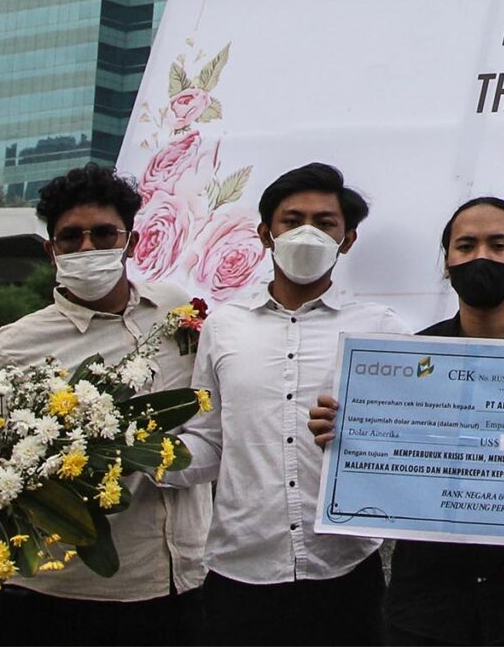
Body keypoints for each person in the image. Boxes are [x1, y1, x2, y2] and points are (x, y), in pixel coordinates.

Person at [310, 195, 504, 645]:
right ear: (447, 262)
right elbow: (376, 463)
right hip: (423, 614)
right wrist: (342, 436)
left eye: (498, 245)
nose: (481, 258)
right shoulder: (411, 358)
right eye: (466, 246)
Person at [166, 162, 404, 645]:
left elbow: (414, 441)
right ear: (265, 234)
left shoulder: (381, 330)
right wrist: (135, 456)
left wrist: (370, 434)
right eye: (292, 221)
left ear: (348, 239)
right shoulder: (224, 327)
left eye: (325, 223)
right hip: (239, 571)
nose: (307, 234)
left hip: (344, 569)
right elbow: (211, 441)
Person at [0, 164, 210, 645]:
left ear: (133, 242)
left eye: (104, 234)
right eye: (71, 238)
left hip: (184, 584)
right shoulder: (13, 348)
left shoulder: (179, 313)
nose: (88, 248)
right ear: (51, 250)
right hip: (59, 596)